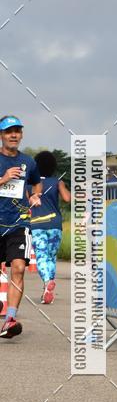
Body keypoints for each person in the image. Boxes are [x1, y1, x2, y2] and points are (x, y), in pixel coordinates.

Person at [0, 115, 42, 338]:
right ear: (1, 136)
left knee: (18, 268)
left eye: (17, 131)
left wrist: (35, 195)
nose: (13, 135)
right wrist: (4, 178)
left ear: (22, 134)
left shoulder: (29, 162)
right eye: (9, 132)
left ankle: (10, 319)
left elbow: (37, 183)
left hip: (19, 223)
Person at [29, 151, 71, 303]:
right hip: (55, 224)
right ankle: (48, 291)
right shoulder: (57, 182)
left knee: (41, 256)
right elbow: (67, 198)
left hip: (37, 224)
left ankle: (47, 283)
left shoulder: (30, 184)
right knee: (51, 258)